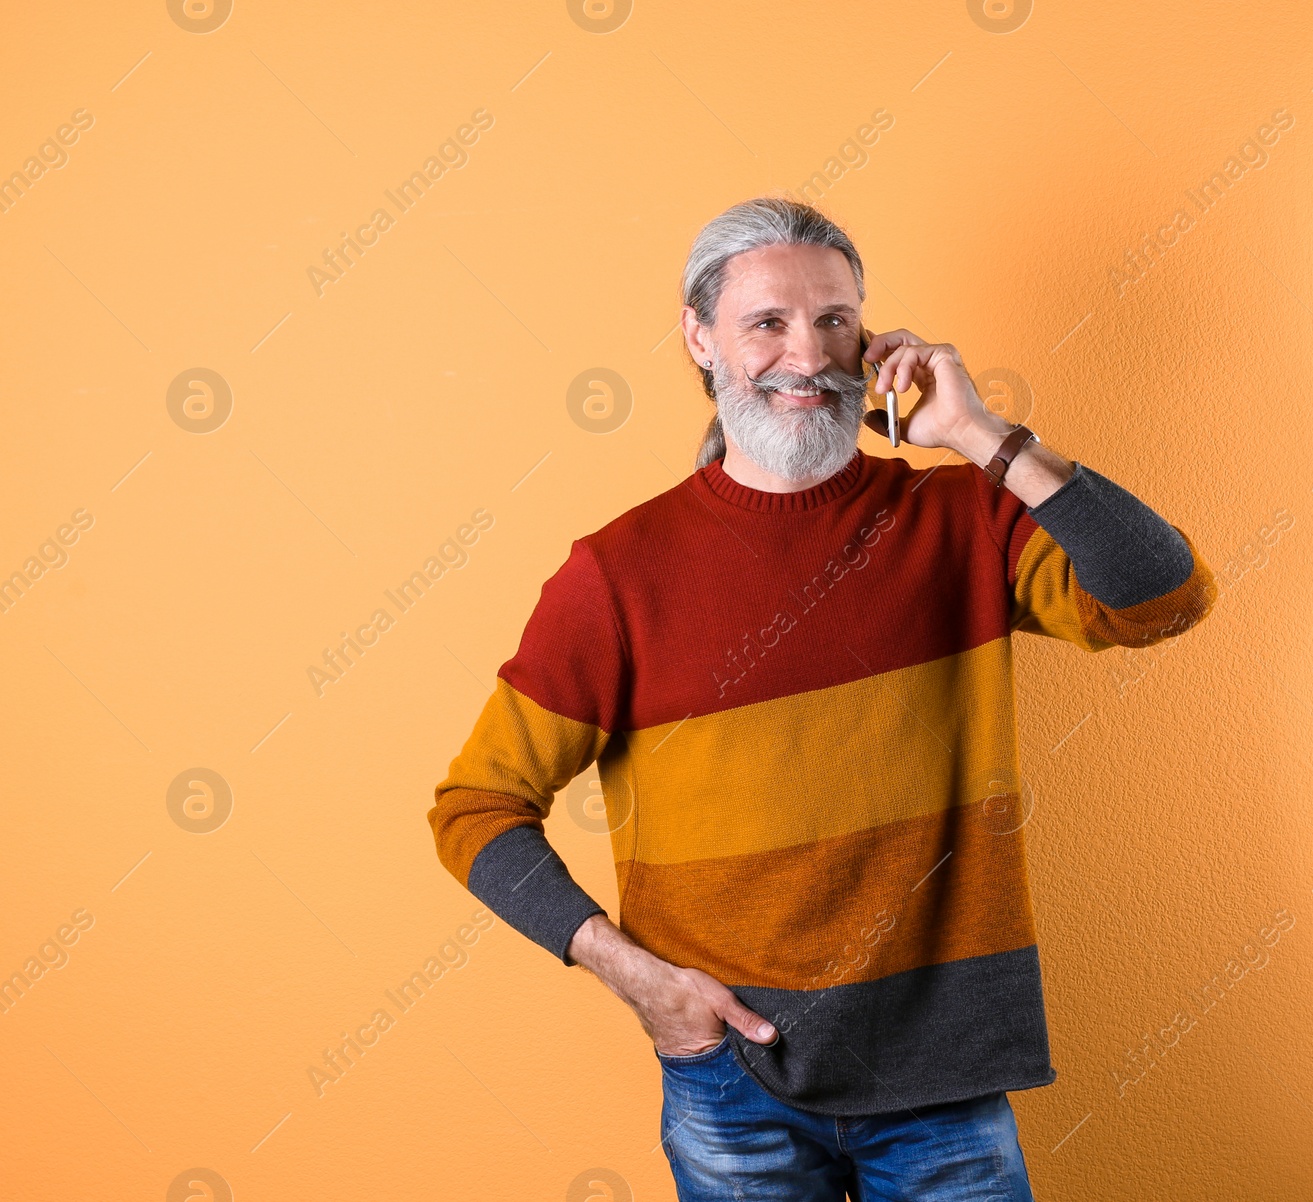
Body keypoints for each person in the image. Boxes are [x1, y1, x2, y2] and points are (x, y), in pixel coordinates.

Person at [428, 196, 1217, 1200]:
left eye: (834, 319)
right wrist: (643, 982)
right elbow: (476, 810)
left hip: (946, 1077)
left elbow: (1163, 596)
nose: (807, 354)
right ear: (699, 337)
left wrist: (978, 432)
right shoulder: (619, 573)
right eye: (767, 322)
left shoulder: (959, 518)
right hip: (732, 1080)